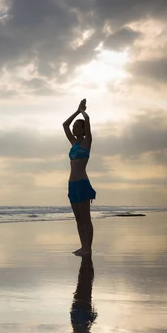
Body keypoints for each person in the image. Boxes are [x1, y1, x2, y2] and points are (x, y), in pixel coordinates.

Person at [63, 99, 96, 256]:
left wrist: (83, 112)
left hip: (82, 183)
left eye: (78, 126)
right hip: (72, 185)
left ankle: (88, 248)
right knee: (78, 219)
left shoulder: (87, 142)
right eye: (74, 126)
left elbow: (88, 120)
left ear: (83, 130)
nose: (74, 128)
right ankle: (83, 246)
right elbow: (64, 125)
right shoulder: (73, 143)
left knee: (86, 218)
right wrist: (76, 110)